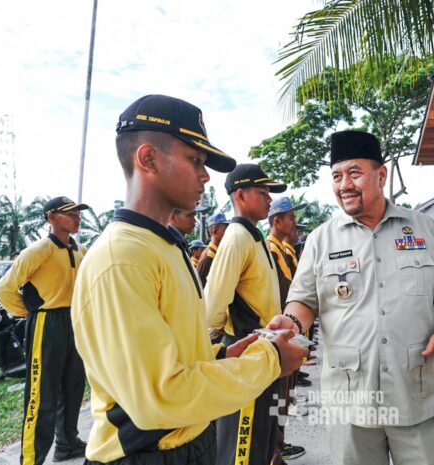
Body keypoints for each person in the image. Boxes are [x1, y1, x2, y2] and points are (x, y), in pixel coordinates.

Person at [71, 95, 307, 465]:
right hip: (147, 453)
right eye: (195, 160)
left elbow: (174, 350)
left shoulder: (164, 245)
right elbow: (161, 397)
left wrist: (222, 355)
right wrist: (271, 359)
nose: (205, 175)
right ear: (148, 159)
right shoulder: (121, 258)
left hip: (189, 440)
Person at [271, 130, 434, 465]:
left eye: (354, 173)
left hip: (416, 391)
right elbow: (304, 300)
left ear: (381, 175)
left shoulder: (425, 229)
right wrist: (291, 322)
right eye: (336, 176)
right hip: (351, 398)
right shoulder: (320, 239)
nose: (344, 185)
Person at [205, 163, 301, 465]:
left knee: (260, 439)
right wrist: (228, 341)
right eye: (262, 192)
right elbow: (213, 305)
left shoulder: (252, 237)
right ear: (241, 195)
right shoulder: (236, 238)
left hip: (263, 349)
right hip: (246, 350)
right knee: (241, 445)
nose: (269, 199)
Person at [0, 196, 90, 465]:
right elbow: (3, 289)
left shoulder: (82, 251)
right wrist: (28, 312)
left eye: (78, 213)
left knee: (73, 387)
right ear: (51, 217)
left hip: (73, 321)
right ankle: (31, 459)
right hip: (47, 323)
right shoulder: (39, 250)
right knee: (42, 394)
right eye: (70, 213)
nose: (77, 218)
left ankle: (67, 444)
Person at [266, 197, 308, 462]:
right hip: (277, 332)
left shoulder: (282, 251)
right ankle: (274, 453)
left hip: (289, 331)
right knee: (277, 397)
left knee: (284, 396)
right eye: (290, 218)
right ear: (276, 221)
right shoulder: (270, 250)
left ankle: (278, 446)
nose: (294, 223)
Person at [195, 212, 230, 286]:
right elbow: (199, 286)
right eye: (225, 230)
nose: (228, 233)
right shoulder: (207, 258)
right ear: (215, 231)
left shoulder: (217, 253)